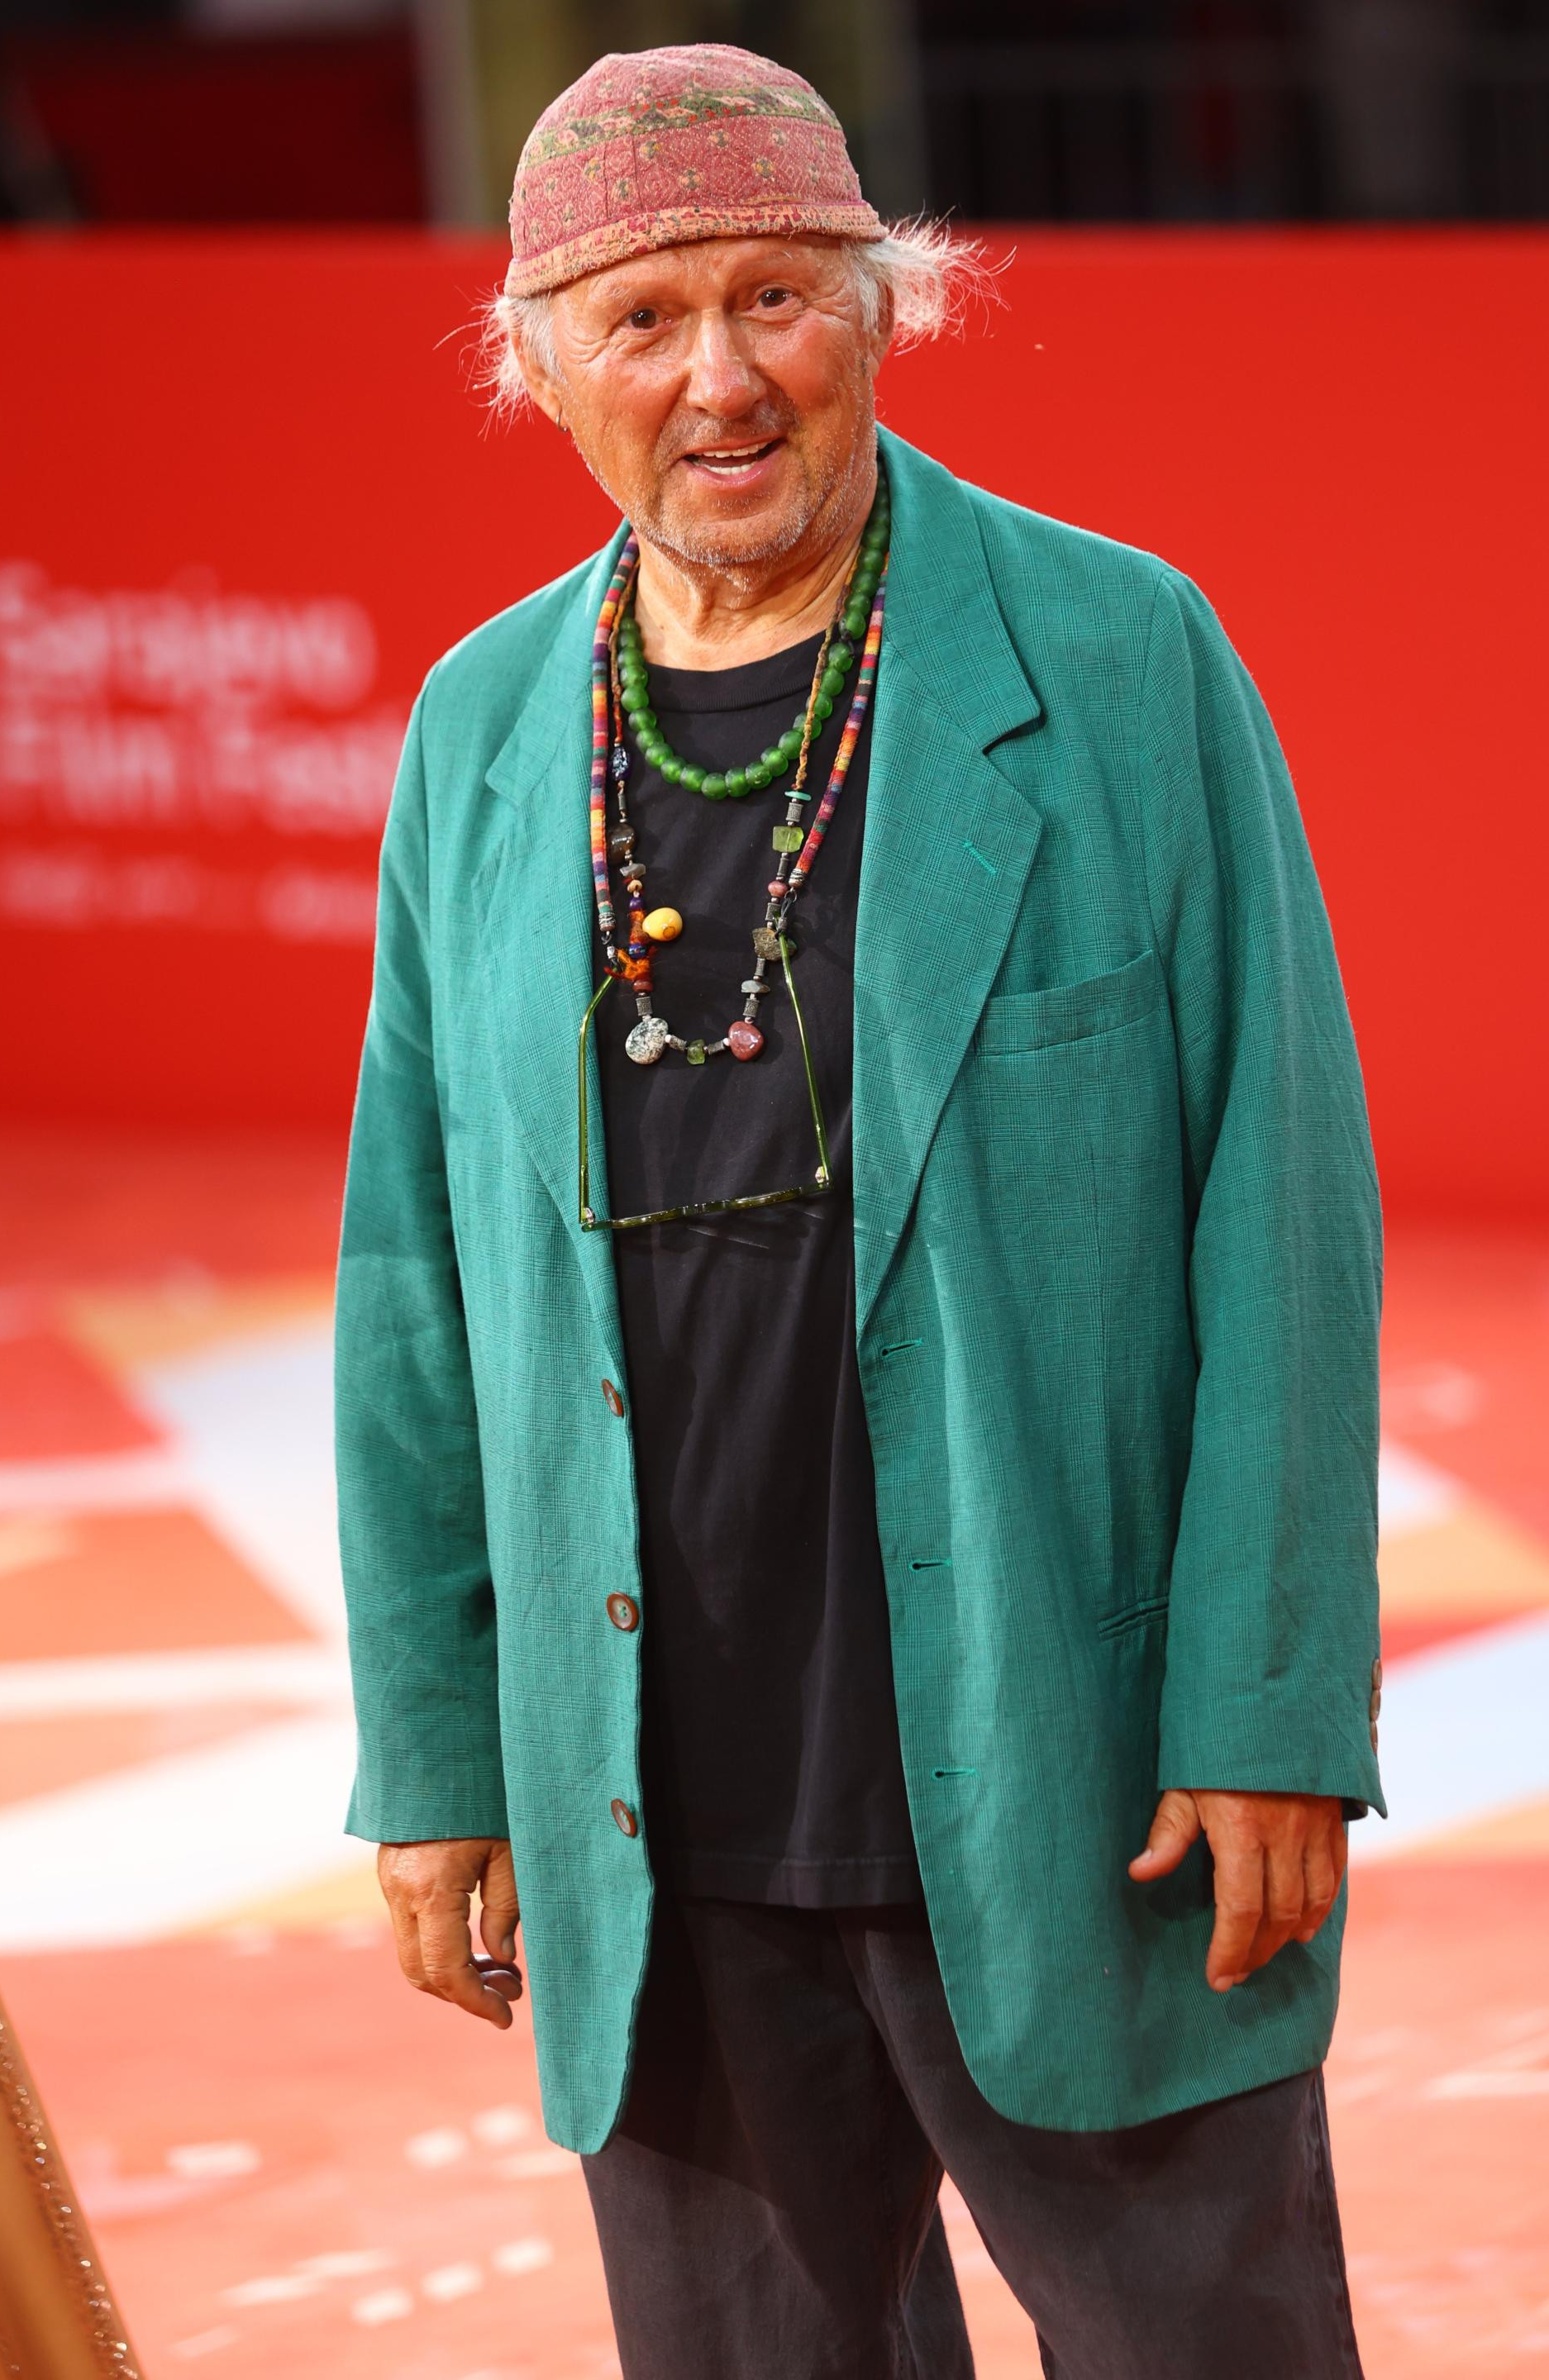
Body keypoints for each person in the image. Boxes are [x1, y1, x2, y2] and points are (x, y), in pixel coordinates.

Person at [335, 43, 1385, 2379]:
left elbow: (1283, 1207)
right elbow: (410, 1277)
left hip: (1081, 1766)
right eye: (642, 320)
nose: (720, 378)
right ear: (540, 374)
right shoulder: (480, 731)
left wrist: (1273, 1704)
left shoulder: (1121, 661)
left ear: (885, 314)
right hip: (660, 1796)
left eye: (777, 300)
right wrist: (436, 1750)